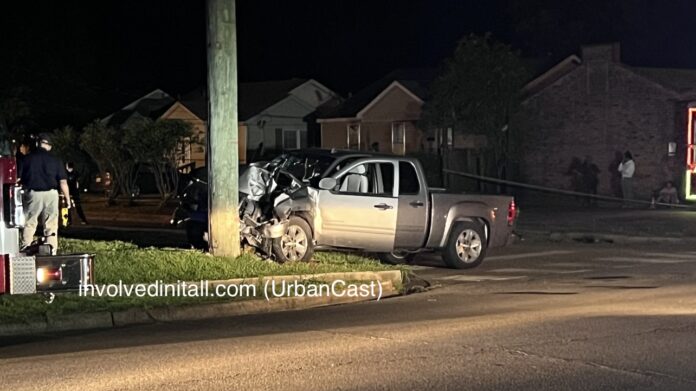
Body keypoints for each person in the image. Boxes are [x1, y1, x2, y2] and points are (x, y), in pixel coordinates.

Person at [19, 133, 70, 254]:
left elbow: (18, 179)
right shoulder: (56, 160)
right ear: (49, 146)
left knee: (30, 222)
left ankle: (26, 249)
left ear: (37, 144)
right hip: (51, 194)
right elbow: (63, 182)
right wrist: (68, 200)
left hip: (33, 194)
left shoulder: (27, 158)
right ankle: (51, 249)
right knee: (51, 224)